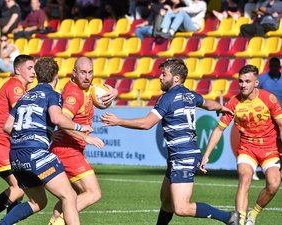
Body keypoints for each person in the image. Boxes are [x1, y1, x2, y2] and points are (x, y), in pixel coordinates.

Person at [100, 58, 239, 225]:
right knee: (166, 202)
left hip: (183, 156)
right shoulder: (190, 94)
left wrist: (119, 121)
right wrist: (221, 107)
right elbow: (208, 104)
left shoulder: (167, 98)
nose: (160, 77)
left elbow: (146, 124)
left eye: (164, 74)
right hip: (178, 156)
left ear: (176, 78)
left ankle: (229, 218)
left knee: (181, 208)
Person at [0, 57, 101, 225]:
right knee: (69, 196)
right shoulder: (52, 94)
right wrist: (80, 128)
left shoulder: (24, 97)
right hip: (35, 153)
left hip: (16, 156)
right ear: (55, 76)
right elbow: (57, 118)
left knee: (38, 202)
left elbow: (7, 126)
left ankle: (0, 224)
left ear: (38, 75)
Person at [200, 64, 282, 225]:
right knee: (245, 178)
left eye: (247, 81)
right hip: (247, 148)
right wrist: (206, 155)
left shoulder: (269, 99)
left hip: (270, 148)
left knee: (273, 185)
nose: (243, 85)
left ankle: (253, 214)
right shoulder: (233, 103)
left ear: (256, 83)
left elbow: (281, 125)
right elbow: (218, 130)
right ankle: (240, 221)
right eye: (240, 81)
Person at [47, 56, 118, 225]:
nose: (87, 77)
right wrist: (87, 137)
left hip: (69, 149)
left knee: (70, 196)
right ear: (74, 73)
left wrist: (114, 92)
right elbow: (64, 122)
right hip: (67, 150)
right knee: (93, 193)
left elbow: (99, 90)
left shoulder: (86, 87)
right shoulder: (73, 94)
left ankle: (54, 221)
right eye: (83, 72)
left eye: (90, 72)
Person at [0, 55, 36, 225]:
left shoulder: (21, 88)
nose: (34, 72)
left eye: (34, 68)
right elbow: (21, 115)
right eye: (29, 68)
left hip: (4, 140)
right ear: (18, 70)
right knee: (19, 187)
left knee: (21, 186)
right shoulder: (15, 87)